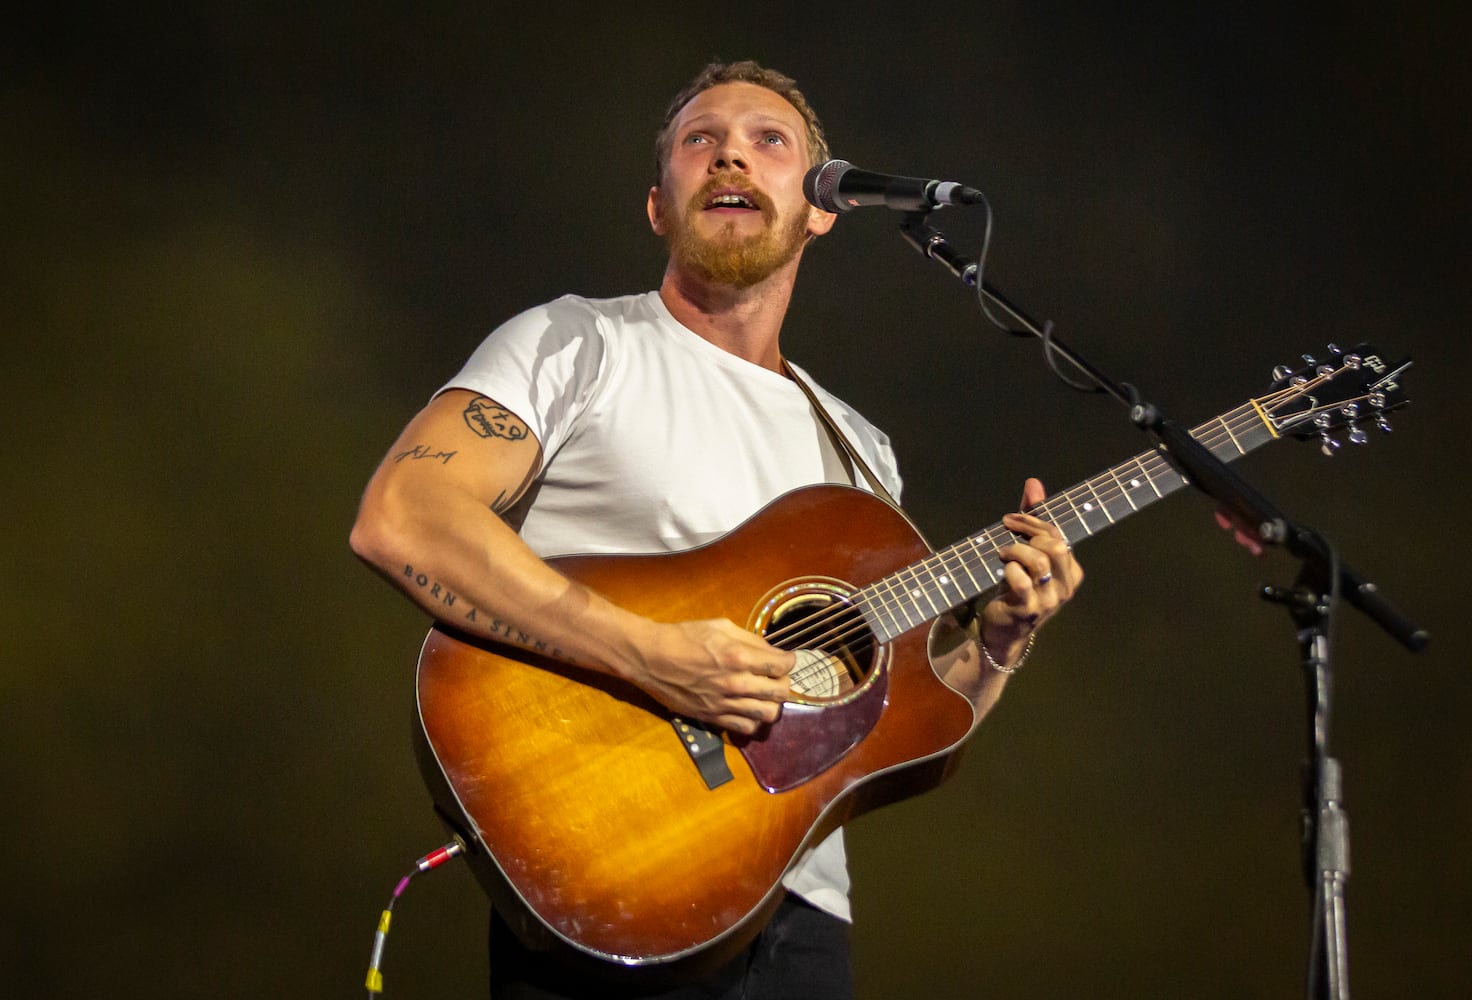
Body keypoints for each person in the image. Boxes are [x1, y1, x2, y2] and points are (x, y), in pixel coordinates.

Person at [350, 60, 1083, 1000]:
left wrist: (1002, 642)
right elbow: (403, 517)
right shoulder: (577, 343)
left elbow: (894, 730)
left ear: (822, 208)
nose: (732, 150)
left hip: (803, 925)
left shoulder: (860, 451)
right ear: (660, 206)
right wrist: (652, 653)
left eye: (769, 140)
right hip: (615, 876)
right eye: (701, 140)